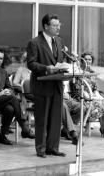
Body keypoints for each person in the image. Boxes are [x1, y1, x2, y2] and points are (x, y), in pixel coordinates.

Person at [27, 13, 66, 158]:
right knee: (42, 120)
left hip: (57, 85)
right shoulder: (35, 42)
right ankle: (41, 149)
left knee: (56, 119)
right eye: (55, 25)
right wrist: (46, 68)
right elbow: (31, 63)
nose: (58, 27)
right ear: (46, 26)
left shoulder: (60, 41)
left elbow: (60, 60)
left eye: (59, 25)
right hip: (42, 86)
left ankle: (53, 148)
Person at [68, 52, 104, 139]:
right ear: (82, 60)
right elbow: (77, 89)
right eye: (86, 59)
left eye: (89, 59)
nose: (88, 61)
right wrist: (88, 96)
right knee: (99, 104)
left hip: (92, 95)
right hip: (82, 97)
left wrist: (97, 95)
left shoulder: (92, 73)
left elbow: (95, 88)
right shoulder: (78, 72)